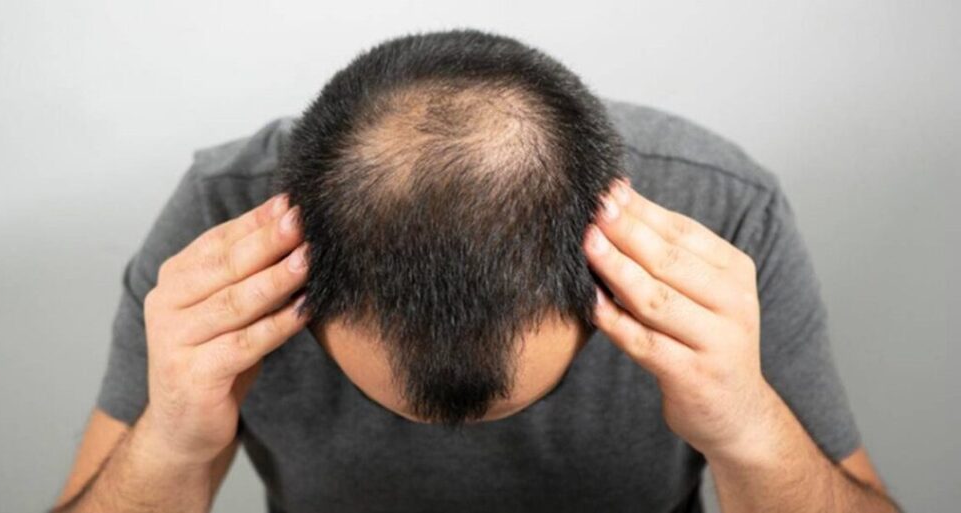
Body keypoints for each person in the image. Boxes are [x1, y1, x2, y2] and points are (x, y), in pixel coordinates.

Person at [51, 28, 900, 512]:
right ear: (299, 281)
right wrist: (170, 442)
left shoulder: (722, 216)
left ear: (604, 273)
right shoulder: (220, 238)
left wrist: (748, 425)